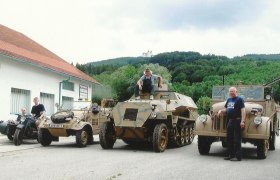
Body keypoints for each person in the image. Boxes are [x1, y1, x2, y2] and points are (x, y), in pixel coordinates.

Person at [218, 87, 246, 161]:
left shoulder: (239, 99)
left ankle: (238, 157)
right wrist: (221, 111)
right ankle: (231, 155)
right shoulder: (229, 100)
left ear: (236, 92)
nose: (231, 93)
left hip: (237, 120)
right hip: (230, 121)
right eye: (230, 91)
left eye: (233, 91)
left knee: (237, 139)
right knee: (229, 139)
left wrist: (242, 121)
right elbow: (227, 109)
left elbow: (243, 111)